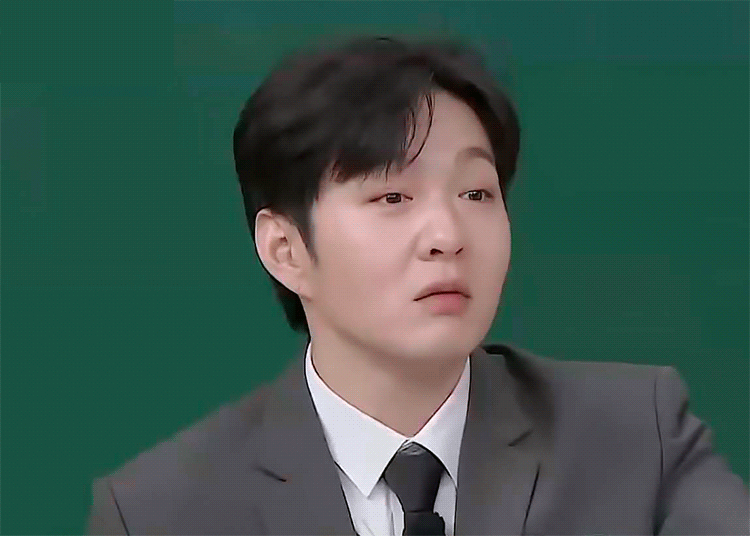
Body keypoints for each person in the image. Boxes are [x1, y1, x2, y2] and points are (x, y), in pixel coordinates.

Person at [87, 34, 749, 535]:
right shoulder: (160, 512)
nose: (448, 235)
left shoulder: (636, 439)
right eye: (393, 197)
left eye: (476, 192)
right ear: (286, 250)